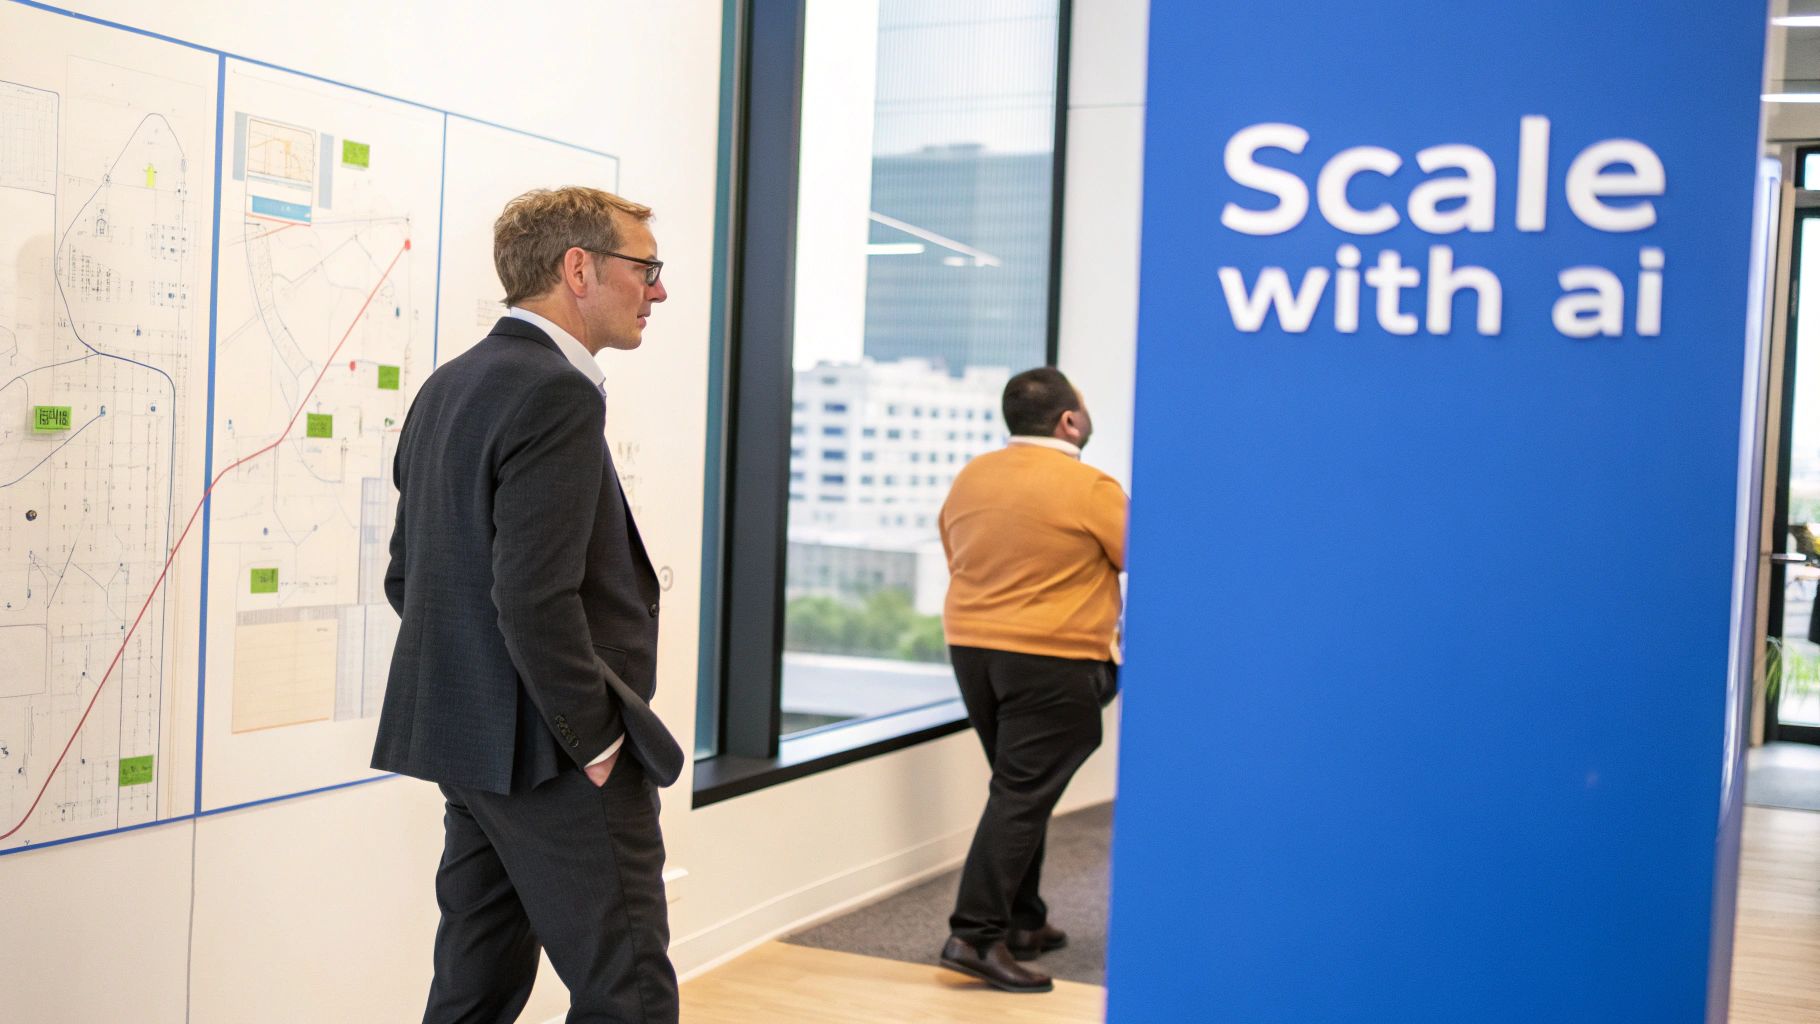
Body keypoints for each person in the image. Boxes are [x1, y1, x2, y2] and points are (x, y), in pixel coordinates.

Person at [373, 186, 684, 1024]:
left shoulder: (451, 383)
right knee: (631, 996)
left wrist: (491, 702)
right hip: (555, 756)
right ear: (578, 268)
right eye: (646, 268)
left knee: (473, 990)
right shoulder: (556, 391)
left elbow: (411, 579)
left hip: (474, 746)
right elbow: (532, 596)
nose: (657, 291)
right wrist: (596, 741)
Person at [936, 366, 1126, 994]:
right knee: (1022, 794)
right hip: (1053, 657)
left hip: (973, 652)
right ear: (1069, 421)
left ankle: (1023, 921)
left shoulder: (974, 476)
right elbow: (1145, 556)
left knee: (1019, 786)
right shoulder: (1090, 486)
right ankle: (974, 934)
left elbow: (955, 547)